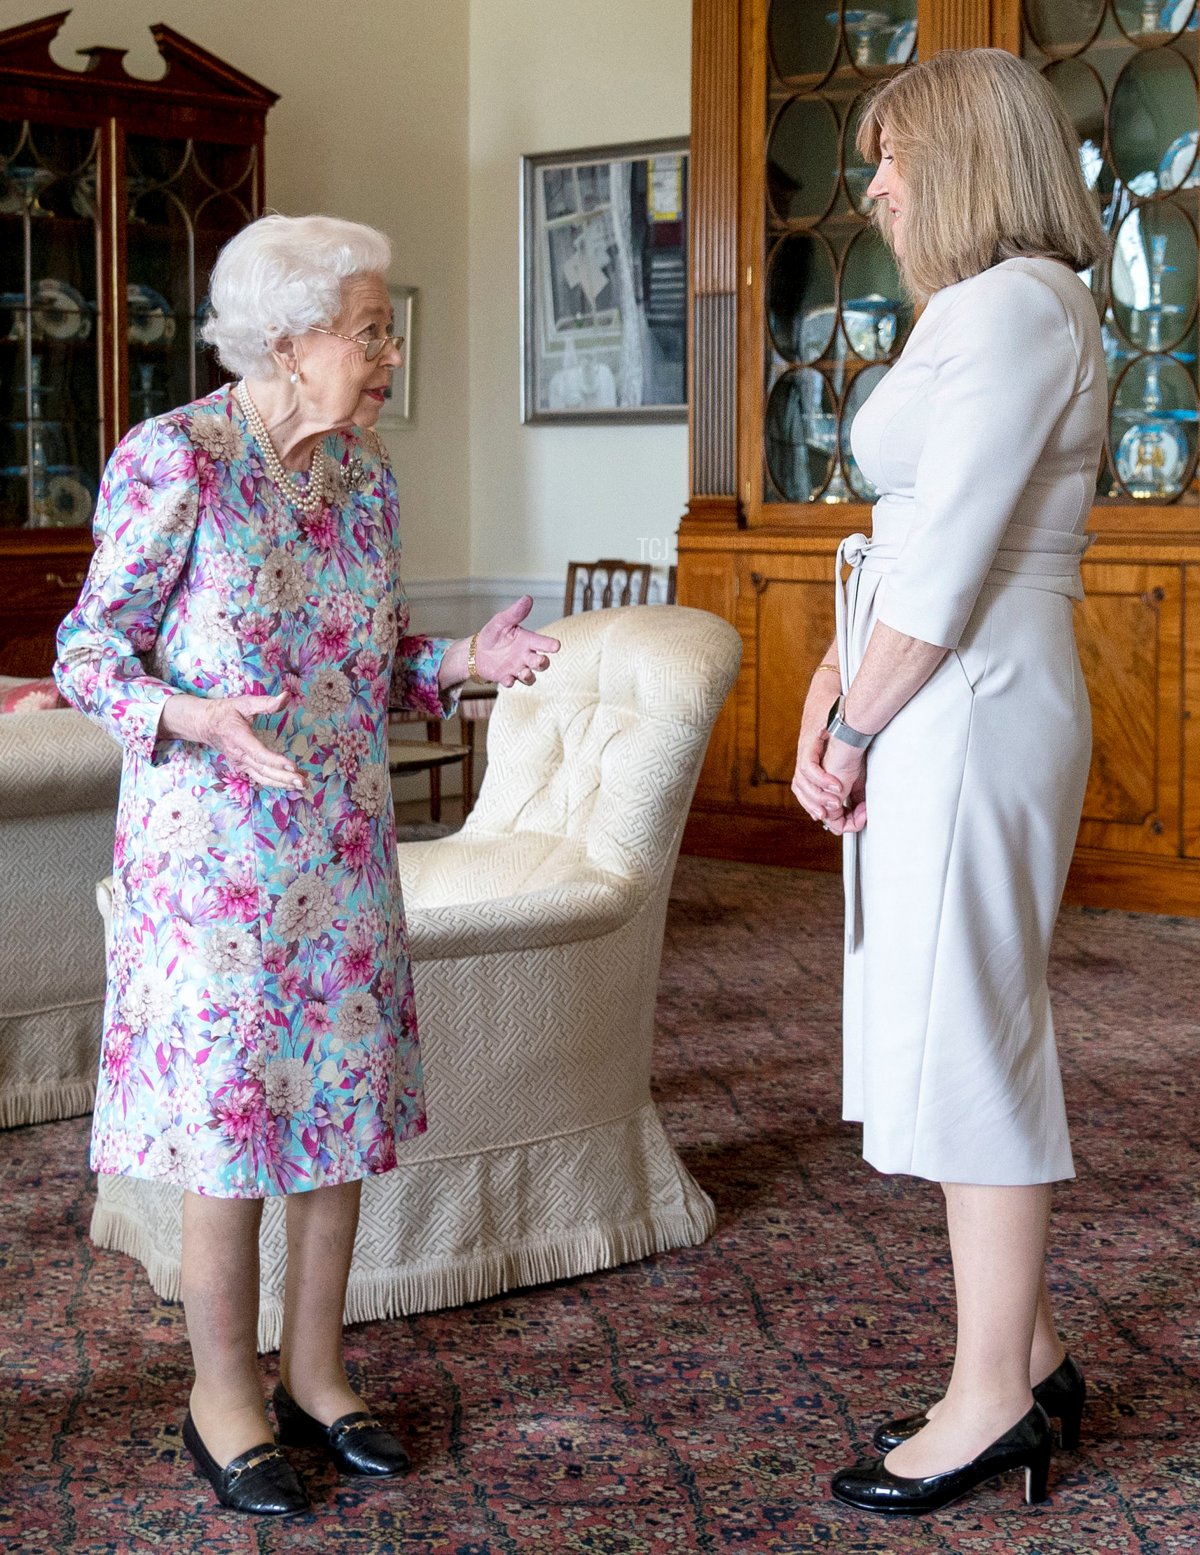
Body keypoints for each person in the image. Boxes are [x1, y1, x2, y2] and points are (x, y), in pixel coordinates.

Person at [54, 214, 559, 1517]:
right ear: (285, 339)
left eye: (388, 328)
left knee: (331, 1128)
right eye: (372, 328)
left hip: (338, 854)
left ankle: (319, 1375)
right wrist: (192, 714)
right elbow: (89, 653)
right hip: (214, 865)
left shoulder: (366, 479)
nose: (389, 353)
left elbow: (365, 665)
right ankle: (222, 1396)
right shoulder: (178, 463)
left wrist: (456, 665)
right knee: (234, 1139)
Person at [790, 50, 1107, 1515]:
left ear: (971, 153)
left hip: (970, 699)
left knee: (972, 1020)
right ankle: (1025, 1351)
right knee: (944, 1009)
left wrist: (855, 725)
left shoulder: (1012, 305)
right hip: (934, 683)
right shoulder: (974, 312)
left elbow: (959, 546)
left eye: (893, 153)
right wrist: (830, 691)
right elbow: (904, 531)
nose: (874, 181)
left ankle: (990, 1405)